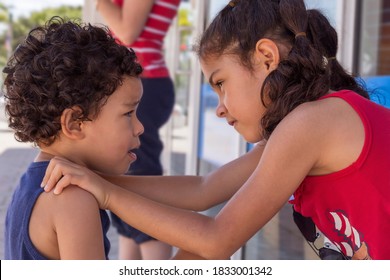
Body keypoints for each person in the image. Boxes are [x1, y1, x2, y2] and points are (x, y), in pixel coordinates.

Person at [42, 0, 390, 260]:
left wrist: (105, 193)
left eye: (221, 83)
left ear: (266, 58)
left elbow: (217, 239)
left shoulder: (309, 124)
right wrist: (91, 177)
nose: (220, 107)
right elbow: (203, 189)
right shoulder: (301, 128)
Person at [3, 16, 144, 259]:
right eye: (128, 113)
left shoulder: (31, 184)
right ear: (75, 123)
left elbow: (201, 190)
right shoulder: (72, 198)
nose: (140, 127)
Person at [93, 0, 181, 260]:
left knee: (139, 184)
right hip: (144, 81)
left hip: (145, 83)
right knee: (128, 181)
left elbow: (127, 32)